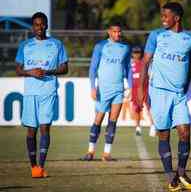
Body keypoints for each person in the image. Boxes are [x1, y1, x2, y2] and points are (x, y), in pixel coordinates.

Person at [139, 2, 191, 191]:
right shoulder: (156, 36)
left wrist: (186, 86)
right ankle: (170, 176)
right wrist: (141, 88)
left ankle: (181, 172)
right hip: (159, 92)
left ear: (177, 18)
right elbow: (145, 63)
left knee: (185, 132)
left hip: (179, 94)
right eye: (162, 16)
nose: (162, 19)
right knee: (163, 134)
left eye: (166, 16)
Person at [15, 12, 68, 178]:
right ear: (33, 27)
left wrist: (47, 71)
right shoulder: (25, 45)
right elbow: (18, 69)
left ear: (46, 25)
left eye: (42, 24)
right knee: (31, 130)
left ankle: (41, 167)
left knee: (45, 127)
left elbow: (65, 68)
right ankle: (33, 166)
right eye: (37, 24)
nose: (40, 27)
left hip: (48, 91)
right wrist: (30, 72)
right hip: (31, 92)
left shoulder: (57, 44)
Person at [81, 22, 131, 161]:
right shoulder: (100, 46)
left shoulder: (126, 47)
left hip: (118, 89)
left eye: (119, 31)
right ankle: (90, 151)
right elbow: (92, 68)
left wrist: (131, 86)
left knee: (113, 121)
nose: (117, 34)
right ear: (109, 32)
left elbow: (128, 69)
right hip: (103, 89)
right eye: (114, 31)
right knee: (98, 119)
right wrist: (92, 87)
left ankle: (107, 154)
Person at [128, 46, 155, 136]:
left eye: (138, 52)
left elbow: (150, 74)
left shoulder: (145, 62)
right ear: (132, 54)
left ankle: (152, 126)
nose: (136, 54)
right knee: (137, 108)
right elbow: (129, 77)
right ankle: (138, 127)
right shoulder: (130, 64)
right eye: (135, 52)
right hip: (135, 89)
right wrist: (130, 89)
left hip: (145, 88)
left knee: (149, 107)